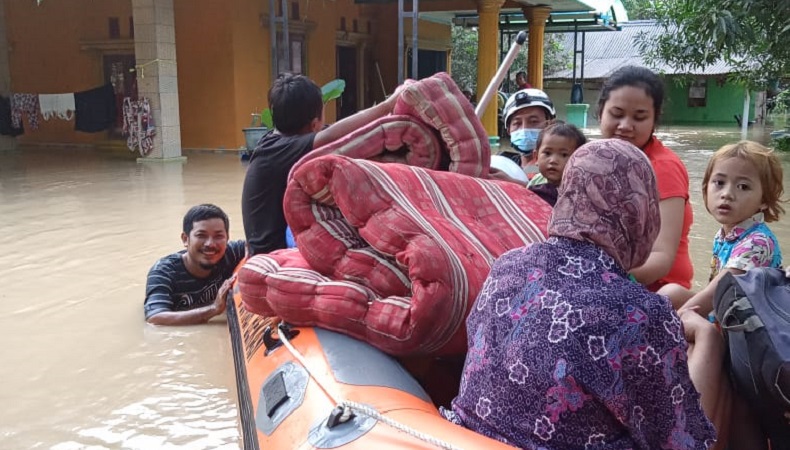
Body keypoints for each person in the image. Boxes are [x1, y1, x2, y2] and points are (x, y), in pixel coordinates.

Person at [444, 139, 721, 449]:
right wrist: (707, 338)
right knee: (707, 343)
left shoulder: (507, 264)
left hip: (467, 437)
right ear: (639, 211)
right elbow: (679, 441)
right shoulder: (639, 313)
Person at [241, 73, 402, 256]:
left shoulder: (274, 142)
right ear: (314, 124)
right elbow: (331, 136)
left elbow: (338, 129)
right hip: (274, 253)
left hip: (270, 244)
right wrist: (388, 105)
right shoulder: (284, 149)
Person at [597, 65, 694, 292]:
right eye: (616, 114)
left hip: (658, 289)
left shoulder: (663, 167)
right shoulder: (593, 160)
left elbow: (661, 257)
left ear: (654, 121)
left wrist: (600, 277)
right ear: (601, 112)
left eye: (639, 117)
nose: (625, 126)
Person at [660, 141, 784, 312]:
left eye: (743, 187)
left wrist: (674, 320)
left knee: (693, 322)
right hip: (727, 310)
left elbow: (715, 294)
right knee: (671, 293)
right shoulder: (725, 234)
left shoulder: (757, 242)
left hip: (751, 324)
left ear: (764, 199)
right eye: (719, 183)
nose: (727, 194)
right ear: (706, 188)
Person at [144, 204, 246, 325]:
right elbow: (155, 318)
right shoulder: (164, 272)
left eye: (218, 236)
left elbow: (257, 246)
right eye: (201, 235)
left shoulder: (231, 253)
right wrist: (214, 309)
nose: (210, 244)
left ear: (227, 238)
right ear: (185, 239)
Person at [499, 88, 556, 180]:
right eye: (517, 123)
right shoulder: (502, 164)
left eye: (533, 121)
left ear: (549, 124)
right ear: (508, 130)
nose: (524, 129)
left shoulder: (560, 167)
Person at [526, 121, 587, 206]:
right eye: (547, 153)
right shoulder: (535, 182)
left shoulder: (579, 191)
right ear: (536, 157)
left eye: (564, 155)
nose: (553, 160)